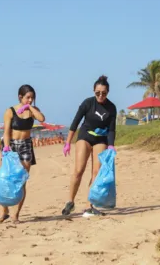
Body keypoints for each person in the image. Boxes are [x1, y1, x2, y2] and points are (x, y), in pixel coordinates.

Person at [61, 75, 117, 218]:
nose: (100, 96)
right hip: (85, 136)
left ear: (108, 93)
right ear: (93, 91)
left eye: (104, 93)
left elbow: (111, 129)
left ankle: (88, 205)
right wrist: (68, 142)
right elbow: (75, 123)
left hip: (101, 139)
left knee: (96, 172)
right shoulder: (88, 103)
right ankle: (70, 201)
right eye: (98, 93)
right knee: (79, 170)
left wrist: (111, 145)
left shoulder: (111, 108)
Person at [0, 84, 45, 224]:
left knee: (21, 181)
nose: (30, 100)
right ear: (20, 97)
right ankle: (5, 211)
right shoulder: (10, 111)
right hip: (11, 145)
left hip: (26, 145)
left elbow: (42, 119)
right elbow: (6, 132)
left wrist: (29, 107)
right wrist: (6, 148)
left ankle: (16, 215)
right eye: (27, 98)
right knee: (7, 179)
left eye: (32, 98)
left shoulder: (33, 110)